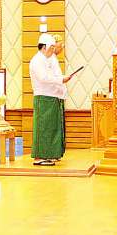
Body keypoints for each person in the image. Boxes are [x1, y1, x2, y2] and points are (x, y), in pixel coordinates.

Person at [30, 33, 72, 166]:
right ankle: (40, 156)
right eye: (52, 47)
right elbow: (43, 78)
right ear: (44, 47)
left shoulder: (46, 59)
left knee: (51, 128)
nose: (54, 50)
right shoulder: (37, 60)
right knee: (44, 128)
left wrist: (61, 80)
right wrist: (61, 80)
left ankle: (49, 155)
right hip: (43, 98)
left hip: (51, 97)